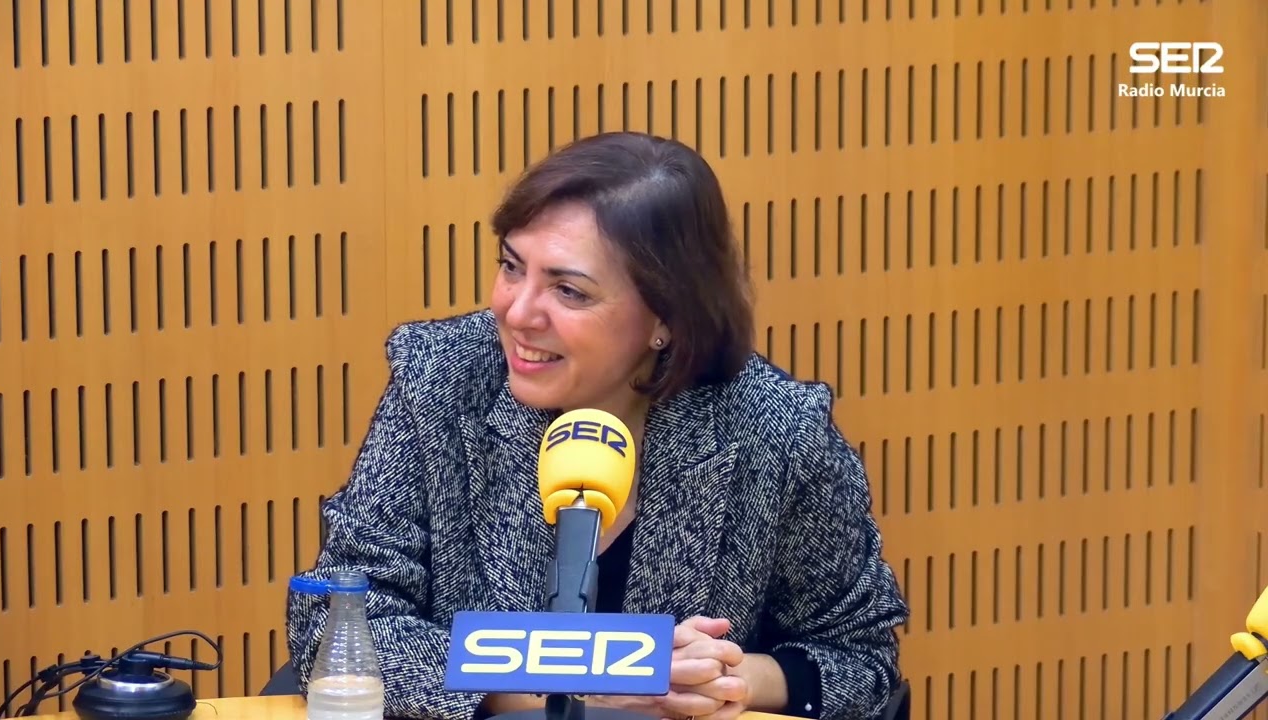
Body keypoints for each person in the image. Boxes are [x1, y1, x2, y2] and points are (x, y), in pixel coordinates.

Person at [284, 131, 910, 720]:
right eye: (512, 267)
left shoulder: (775, 429)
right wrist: (572, 682)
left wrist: (726, 676)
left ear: (666, 318)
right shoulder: (442, 379)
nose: (517, 312)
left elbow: (860, 659)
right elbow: (332, 623)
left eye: (569, 291)